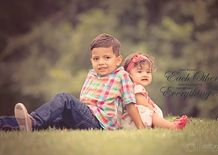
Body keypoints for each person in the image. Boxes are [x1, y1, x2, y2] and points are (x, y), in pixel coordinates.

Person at [0, 33, 145, 131]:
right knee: (52, 119)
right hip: (84, 117)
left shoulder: (122, 76)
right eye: (96, 59)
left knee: (64, 98)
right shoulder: (92, 74)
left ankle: (32, 122)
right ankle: (6, 123)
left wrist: (141, 128)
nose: (101, 62)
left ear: (118, 60)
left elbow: (129, 103)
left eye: (107, 58)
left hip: (100, 123)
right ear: (91, 60)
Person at [121, 53, 188, 129]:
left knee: (152, 113)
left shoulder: (137, 87)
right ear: (128, 75)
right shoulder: (135, 88)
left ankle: (166, 124)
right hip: (133, 121)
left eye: (148, 72)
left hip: (136, 120)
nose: (145, 74)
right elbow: (140, 101)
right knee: (150, 113)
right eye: (139, 72)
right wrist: (150, 107)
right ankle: (172, 126)